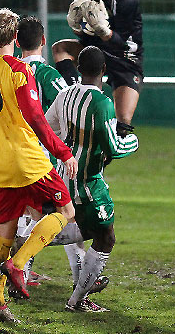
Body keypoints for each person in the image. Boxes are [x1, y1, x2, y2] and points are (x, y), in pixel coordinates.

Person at [0, 8, 78, 323]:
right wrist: (63, 152)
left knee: (5, 230)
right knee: (65, 212)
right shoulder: (20, 70)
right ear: (15, 37)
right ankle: (20, 264)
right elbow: (36, 118)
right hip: (27, 160)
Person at [14, 15, 108, 296]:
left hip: (12, 151)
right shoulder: (47, 76)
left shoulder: (11, 70)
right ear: (41, 40)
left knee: (34, 213)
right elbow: (66, 107)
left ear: (17, 42)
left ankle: (28, 272)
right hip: (45, 156)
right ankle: (21, 267)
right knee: (61, 214)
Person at [45, 45, 139, 312]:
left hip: (64, 175)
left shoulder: (64, 95)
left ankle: (26, 241)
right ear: (104, 71)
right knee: (104, 236)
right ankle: (75, 299)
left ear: (78, 68)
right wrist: (133, 141)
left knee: (82, 228)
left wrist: (69, 145)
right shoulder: (102, 103)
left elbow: (49, 129)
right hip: (87, 182)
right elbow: (114, 148)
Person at [52, 0, 143, 138]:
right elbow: (83, 35)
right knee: (61, 49)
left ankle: (100, 161)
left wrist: (104, 31)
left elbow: (123, 44)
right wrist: (76, 27)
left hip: (124, 59)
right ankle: (73, 97)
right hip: (94, 51)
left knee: (123, 126)